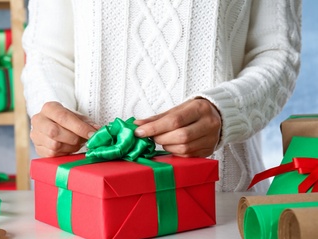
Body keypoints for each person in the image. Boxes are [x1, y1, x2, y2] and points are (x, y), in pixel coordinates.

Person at [21, 0, 302, 192]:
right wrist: (49, 106)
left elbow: (278, 54)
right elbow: (47, 54)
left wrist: (226, 111)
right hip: (85, 194)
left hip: (225, 199)